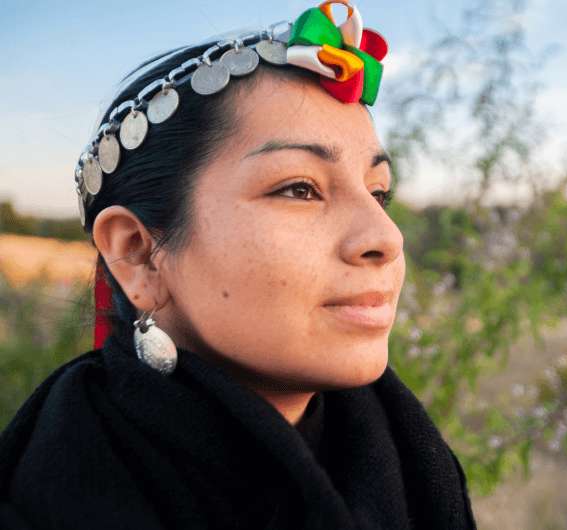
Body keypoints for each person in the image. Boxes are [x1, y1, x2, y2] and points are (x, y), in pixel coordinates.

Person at [0, 2, 477, 528]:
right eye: (301, 188)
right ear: (138, 254)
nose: (386, 238)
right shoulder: (54, 494)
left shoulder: (414, 467)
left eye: (378, 193)